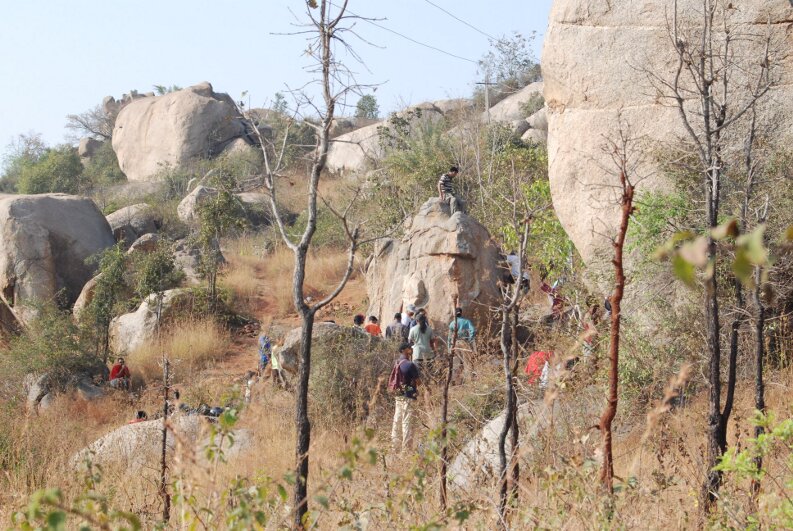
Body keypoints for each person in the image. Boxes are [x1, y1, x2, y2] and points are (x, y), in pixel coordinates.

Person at [389, 343, 420, 454]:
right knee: (407, 422)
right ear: (404, 350)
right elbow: (418, 382)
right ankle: (406, 451)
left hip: (399, 396)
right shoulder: (410, 365)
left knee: (397, 421)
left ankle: (394, 447)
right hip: (409, 396)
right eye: (409, 348)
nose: (411, 349)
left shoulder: (396, 362)